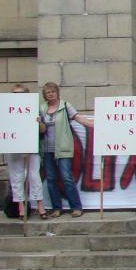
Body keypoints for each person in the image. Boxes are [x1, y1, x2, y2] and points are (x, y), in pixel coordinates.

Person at [39, 81, 93, 218]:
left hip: (63, 147)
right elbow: (40, 128)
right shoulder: (42, 108)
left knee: (67, 177)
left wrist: (95, 123)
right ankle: (56, 208)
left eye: (52, 91)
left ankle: (76, 207)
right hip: (47, 149)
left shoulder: (65, 105)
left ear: (57, 92)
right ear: (45, 95)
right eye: (47, 93)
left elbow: (79, 118)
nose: (50, 94)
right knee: (51, 179)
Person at [5, 84, 47, 219]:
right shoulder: (6, 109)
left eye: (20, 94)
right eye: (15, 94)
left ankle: (40, 205)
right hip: (14, 148)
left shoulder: (35, 108)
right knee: (17, 177)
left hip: (31, 147)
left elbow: (43, 129)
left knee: (34, 176)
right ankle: (21, 207)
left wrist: (38, 122)